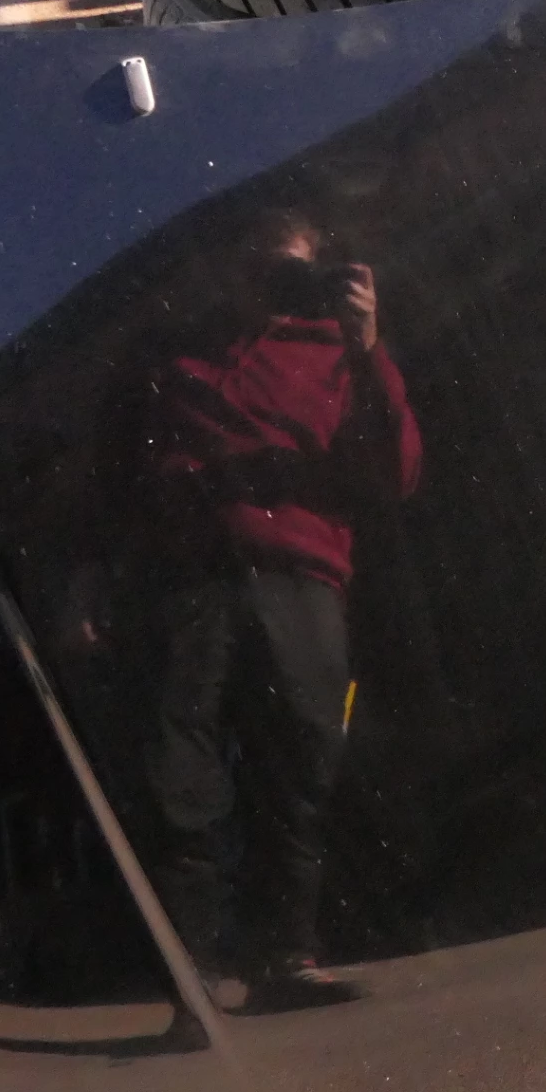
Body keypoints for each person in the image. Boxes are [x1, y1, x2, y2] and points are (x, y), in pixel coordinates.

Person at [141, 209, 422, 1010]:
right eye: (261, 267)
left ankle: (285, 952)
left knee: (302, 756)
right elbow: (120, 480)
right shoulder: (179, 356)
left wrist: (366, 344)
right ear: (232, 271)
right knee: (183, 761)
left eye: (293, 270)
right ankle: (193, 963)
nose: (274, 284)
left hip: (302, 575)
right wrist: (96, 578)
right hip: (195, 577)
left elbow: (396, 474)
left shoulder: (339, 354)